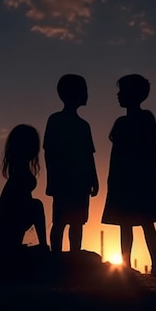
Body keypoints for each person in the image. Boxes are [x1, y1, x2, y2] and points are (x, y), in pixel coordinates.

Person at [101, 74, 156, 277]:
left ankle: (155, 264)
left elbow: (148, 150)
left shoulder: (145, 119)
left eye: (122, 92)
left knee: (145, 222)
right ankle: (127, 265)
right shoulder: (123, 122)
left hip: (138, 179)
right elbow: (116, 155)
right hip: (125, 179)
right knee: (127, 224)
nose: (119, 96)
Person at [0, 124, 48, 262]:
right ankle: (42, 246)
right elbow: (11, 212)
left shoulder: (19, 173)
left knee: (34, 206)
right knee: (37, 206)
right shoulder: (20, 176)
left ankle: (27, 247)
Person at [43, 74, 99, 253]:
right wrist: (52, 179)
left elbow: (89, 155)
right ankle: (57, 256)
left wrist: (93, 179)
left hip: (78, 182)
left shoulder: (83, 125)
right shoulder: (57, 121)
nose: (87, 94)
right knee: (61, 221)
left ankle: (73, 255)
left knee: (76, 222)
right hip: (66, 181)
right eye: (84, 90)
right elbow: (49, 153)